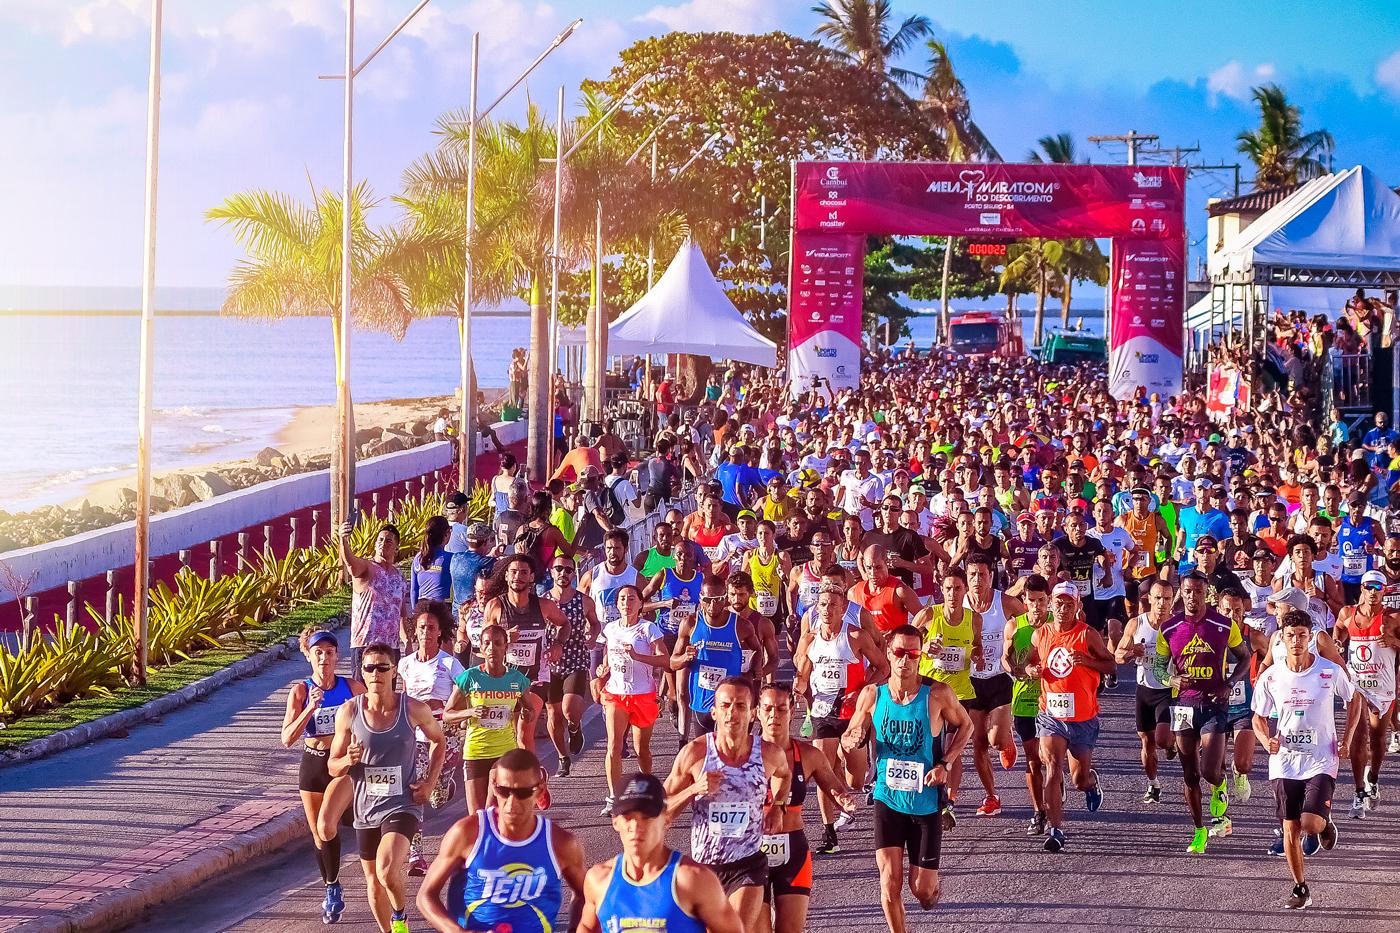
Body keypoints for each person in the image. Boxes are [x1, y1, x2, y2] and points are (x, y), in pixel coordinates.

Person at [840, 625, 972, 932]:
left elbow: (966, 726)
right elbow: (852, 733)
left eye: (912, 654)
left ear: (920, 656)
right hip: (887, 798)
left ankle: (931, 888)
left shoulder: (937, 694)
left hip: (925, 803)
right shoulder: (873, 695)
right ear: (888, 652)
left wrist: (944, 763)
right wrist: (852, 738)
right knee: (889, 881)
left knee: (921, 891)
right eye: (899, 652)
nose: (905, 660)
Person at [328, 642, 445, 933]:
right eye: (370, 668)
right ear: (362, 673)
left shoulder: (412, 708)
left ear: (394, 671)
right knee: (374, 882)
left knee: (386, 870)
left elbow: (438, 741)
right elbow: (332, 765)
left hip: (403, 803)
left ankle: (400, 915)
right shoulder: (349, 712)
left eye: (383, 667)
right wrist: (346, 760)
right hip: (366, 806)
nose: (376, 673)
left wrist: (430, 781)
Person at [1251, 609, 1362, 910]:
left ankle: (1324, 824)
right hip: (1284, 759)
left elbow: (1355, 700)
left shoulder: (1329, 671)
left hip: (1321, 758)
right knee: (1291, 828)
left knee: (1309, 825)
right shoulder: (1271, 677)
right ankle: (1300, 887)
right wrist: (1265, 740)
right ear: (1282, 641)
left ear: (1310, 638)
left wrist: (1347, 737)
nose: (1296, 641)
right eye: (1290, 636)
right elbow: (1258, 718)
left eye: (1302, 635)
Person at [665, 678, 791, 931]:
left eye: (740, 706)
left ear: (752, 712)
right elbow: (660, 811)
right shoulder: (695, 754)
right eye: (725, 705)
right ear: (714, 712)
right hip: (704, 868)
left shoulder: (768, 753)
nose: (732, 713)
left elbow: (784, 774)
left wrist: (777, 805)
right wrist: (693, 789)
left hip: (748, 863)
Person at [416, 749, 587, 933]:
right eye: (504, 791)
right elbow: (425, 896)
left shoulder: (561, 843)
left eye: (522, 793)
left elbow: (586, 894)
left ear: (540, 791)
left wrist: (575, 928)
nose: (512, 802)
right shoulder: (468, 833)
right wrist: (457, 931)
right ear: (494, 786)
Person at [577, 772, 743, 933]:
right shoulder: (599, 880)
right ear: (615, 821)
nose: (636, 827)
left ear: (666, 819)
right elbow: (587, 927)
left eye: (646, 817)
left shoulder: (692, 879)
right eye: (628, 817)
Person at [1156, 571, 1251, 852]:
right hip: (1184, 705)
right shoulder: (1168, 628)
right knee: (1190, 775)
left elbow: (1245, 657)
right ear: (1180, 593)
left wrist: (1230, 683)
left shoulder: (1223, 625)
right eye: (1187, 591)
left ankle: (1220, 786)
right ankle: (1199, 830)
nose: (1192, 597)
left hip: (1214, 705)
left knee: (1210, 771)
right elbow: (1158, 668)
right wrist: (1171, 680)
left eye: (1198, 592)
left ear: (1206, 593)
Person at [792, 584, 888, 854]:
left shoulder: (856, 636)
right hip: (823, 713)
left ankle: (861, 769)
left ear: (843, 609)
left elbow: (883, 667)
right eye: (822, 605)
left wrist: (862, 691)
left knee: (855, 780)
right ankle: (829, 831)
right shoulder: (809, 640)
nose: (826, 610)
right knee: (823, 770)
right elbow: (802, 674)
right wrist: (797, 689)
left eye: (833, 605)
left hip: (853, 714)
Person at [755, 683, 857, 933]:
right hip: (751, 852)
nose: (774, 716)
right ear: (757, 711)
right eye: (767, 709)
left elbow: (832, 786)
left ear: (793, 710)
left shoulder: (808, 754)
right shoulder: (744, 754)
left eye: (781, 709)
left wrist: (843, 799)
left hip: (793, 852)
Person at [1019, 582, 1113, 852]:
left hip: (1082, 717)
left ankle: (1092, 783)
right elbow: (1028, 661)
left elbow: (1111, 664)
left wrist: (1088, 661)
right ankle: (1056, 830)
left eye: (1068, 604)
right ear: (1051, 604)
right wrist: (1031, 668)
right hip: (1051, 714)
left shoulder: (1088, 635)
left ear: (1077, 606)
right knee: (1051, 767)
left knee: (1078, 780)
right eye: (1058, 603)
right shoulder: (1041, 634)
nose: (1063, 609)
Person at [281, 626, 365, 924]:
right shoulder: (301, 691)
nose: (324, 659)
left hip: (341, 764)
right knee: (319, 832)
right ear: (309, 657)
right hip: (313, 763)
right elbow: (287, 738)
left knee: (330, 824)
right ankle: (331, 888)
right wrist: (310, 709)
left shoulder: (351, 687)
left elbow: (374, 715)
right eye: (318, 653)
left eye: (329, 653)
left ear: (336, 656)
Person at [483, 555, 568, 807]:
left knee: (523, 732)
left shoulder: (543, 606)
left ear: (531, 577)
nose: (518, 577)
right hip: (504, 679)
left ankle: (529, 785)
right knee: (507, 734)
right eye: (513, 572)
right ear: (507, 576)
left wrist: (558, 645)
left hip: (535, 678)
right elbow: (485, 644)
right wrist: (503, 638)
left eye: (523, 572)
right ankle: (535, 777)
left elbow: (564, 624)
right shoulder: (495, 607)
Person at [397, 601, 467, 875]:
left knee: (436, 797)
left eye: (432, 628)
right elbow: (401, 696)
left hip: (443, 734)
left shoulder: (450, 664)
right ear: (415, 631)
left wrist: (443, 706)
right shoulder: (405, 664)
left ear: (440, 633)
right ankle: (416, 855)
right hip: (413, 736)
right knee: (415, 791)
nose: (426, 632)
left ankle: (445, 785)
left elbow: (465, 696)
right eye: (422, 627)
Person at [913, 567, 982, 827]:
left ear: (965, 590)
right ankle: (926, 795)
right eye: (948, 588)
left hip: (960, 693)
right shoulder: (929, 615)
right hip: (929, 692)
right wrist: (925, 649)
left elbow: (977, 646)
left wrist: (978, 655)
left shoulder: (974, 619)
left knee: (953, 750)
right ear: (941, 589)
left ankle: (948, 802)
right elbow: (903, 647)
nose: (953, 594)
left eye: (958, 589)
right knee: (928, 749)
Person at [1331, 569, 1399, 816]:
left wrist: (1395, 643)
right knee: (1359, 737)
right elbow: (1338, 629)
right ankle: (1359, 792)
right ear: (1361, 588)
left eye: (1378, 588)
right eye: (1368, 587)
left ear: (1384, 591)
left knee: (1378, 738)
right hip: (1357, 684)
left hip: (1383, 686)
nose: (1373, 592)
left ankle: (1374, 777)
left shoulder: (1392, 618)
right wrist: (1337, 642)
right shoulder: (1348, 613)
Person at [597, 584, 669, 815]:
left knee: (642, 749)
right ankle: (613, 798)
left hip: (643, 694)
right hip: (616, 694)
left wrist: (638, 656)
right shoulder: (610, 629)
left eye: (631, 599)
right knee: (613, 746)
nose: (626, 603)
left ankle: (647, 791)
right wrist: (603, 669)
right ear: (616, 604)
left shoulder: (649, 629)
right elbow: (607, 656)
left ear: (640, 604)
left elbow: (664, 660)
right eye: (622, 599)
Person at [962, 553, 1024, 817]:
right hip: (972, 680)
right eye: (972, 574)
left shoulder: (1005, 602)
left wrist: (1021, 654)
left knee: (995, 741)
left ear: (991, 576)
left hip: (1000, 677)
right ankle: (991, 796)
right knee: (977, 742)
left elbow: (1033, 621)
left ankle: (1007, 740)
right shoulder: (959, 604)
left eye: (982, 574)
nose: (977, 580)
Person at [445, 625, 531, 814]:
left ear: (506, 647)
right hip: (475, 751)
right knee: (476, 817)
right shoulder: (470, 677)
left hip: (505, 751)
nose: (492, 648)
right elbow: (447, 714)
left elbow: (529, 708)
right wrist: (470, 712)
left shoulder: (516, 679)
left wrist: (526, 713)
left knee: (492, 811)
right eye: (487, 644)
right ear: (482, 649)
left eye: (498, 643)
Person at [670, 575, 763, 741]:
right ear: (700, 598)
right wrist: (685, 657)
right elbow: (673, 662)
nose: (712, 605)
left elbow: (757, 650)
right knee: (707, 755)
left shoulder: (741, 625)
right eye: (707, 599)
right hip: (702, 702)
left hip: (730, 703)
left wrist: (751, 673)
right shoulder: (690, 624)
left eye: (718, 599)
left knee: (730, 754)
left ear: (725, 598)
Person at [1115, 578, 1177, 804]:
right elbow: (1118, 656)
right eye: (1158, 598)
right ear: (1149, 599)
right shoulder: (1136, 624)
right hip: (1144, 690)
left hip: (1168, 690)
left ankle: (1171, 744)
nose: (1162, 603)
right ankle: (1153, 784)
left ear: (1173, 600)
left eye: (1167, 598)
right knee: (1146, 742)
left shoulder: (1177, 626)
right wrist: (1133, 652)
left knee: (1161, 739)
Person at [1002, 574, 1051, 835]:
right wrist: (1019, 670)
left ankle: (1055, 790)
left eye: (1041, 601)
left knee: (1048, 757)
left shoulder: (1058, 624)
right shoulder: (1014, 627)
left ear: (1048, 600)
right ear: (1024, 600)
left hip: (1053, 699)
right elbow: (1004, 660)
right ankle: (1038, 811)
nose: (1036, 606)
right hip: (1024, 699)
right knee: (1033, 761)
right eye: (1031, 601)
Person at [545, 555, 599, 778]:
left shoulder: (584, 601)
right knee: (553, 715)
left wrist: (592, 636)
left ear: (573, 574)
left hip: (576, 656)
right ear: (552, 572)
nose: (563, 574)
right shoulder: (543, 601)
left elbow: (595, 623)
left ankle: (575, 728)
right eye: (559, 569)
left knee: (569, 710)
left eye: (568, 570)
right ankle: (562, 757)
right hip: (549, 662)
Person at [339, 521, 410, 676]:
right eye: (380, 539)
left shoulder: (399, 577)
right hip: (365, 646)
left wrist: (407, 641)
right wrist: (343, 540)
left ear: (396, 548)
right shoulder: (367, 568)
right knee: (363, 697)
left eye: (389, 541)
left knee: (388, 697)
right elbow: (351, 563)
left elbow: (401, 613)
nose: (383, 543)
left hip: (391, 648)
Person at [449, 522, 497, 621]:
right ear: (485, 542)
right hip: (474, 614)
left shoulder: (455, 557)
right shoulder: (489, 562)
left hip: (456, 611)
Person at [411, 516, 454, 605]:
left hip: (421, 606)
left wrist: (415, 612)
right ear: (446, 534)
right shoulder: (450, 558)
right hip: (440, 609)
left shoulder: (418, 557)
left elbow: (414, 589)